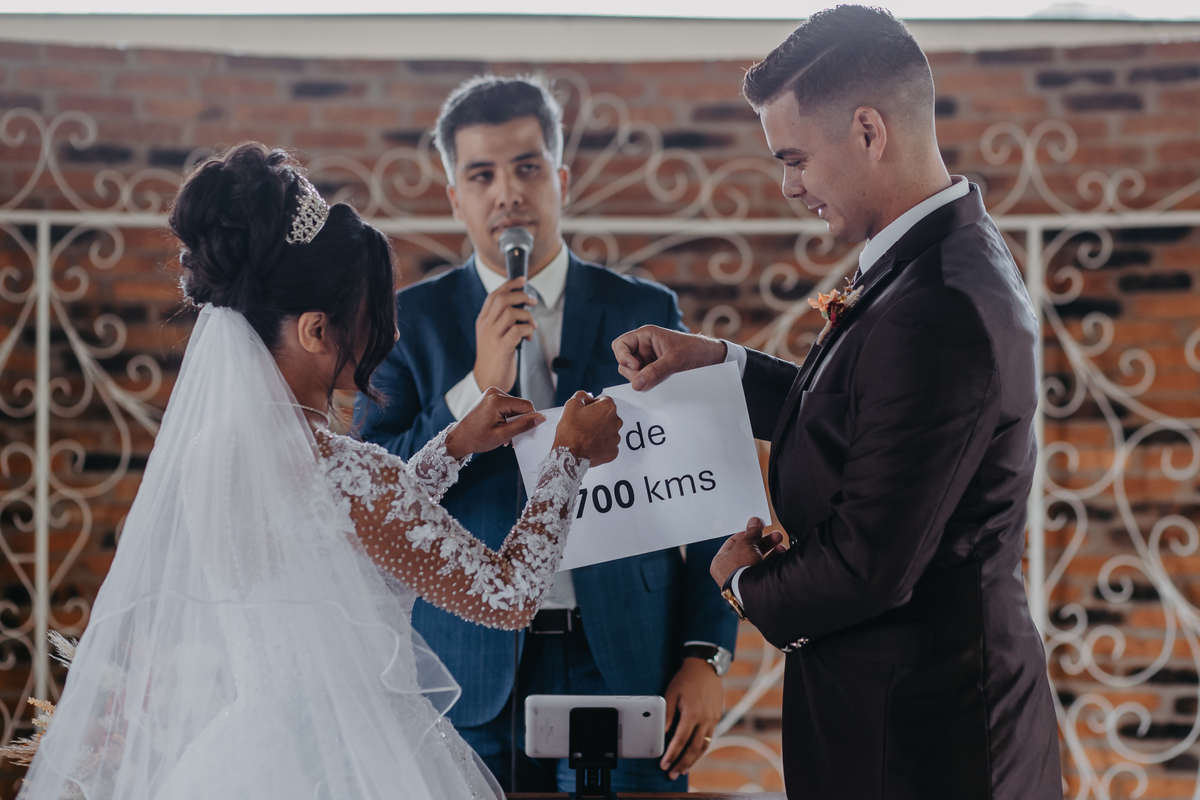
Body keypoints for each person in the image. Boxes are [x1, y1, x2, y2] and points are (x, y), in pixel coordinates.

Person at [15, 143, 623, 800]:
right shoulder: (346, 472)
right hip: (364, 762)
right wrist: (569, 456)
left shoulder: (212, 454)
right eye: (371, 312)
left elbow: (342, 543)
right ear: (314, 330)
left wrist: (454, 445)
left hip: (253, 754)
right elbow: (509, 597)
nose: (386, 334)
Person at [612, 7, 1062, 800]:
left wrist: (743, 584)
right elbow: (873, 414)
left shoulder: (941, 302)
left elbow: (867, 565)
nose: (789, 185)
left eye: (795, 158)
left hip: (925, 743)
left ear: (867, 130)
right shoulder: (931, 258)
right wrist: (718, 365)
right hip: (900, 717)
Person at [355, 75, 738, 793]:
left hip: (626, 653)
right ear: (456, 198)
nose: (507, 192)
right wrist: (473, 385)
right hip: (466, 663)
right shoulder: (408, 324)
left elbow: (709, 488)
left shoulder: (646, 309)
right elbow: (373, 492)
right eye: (482, 175)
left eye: (527, 167)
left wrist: (704, 652)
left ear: (559, 179)